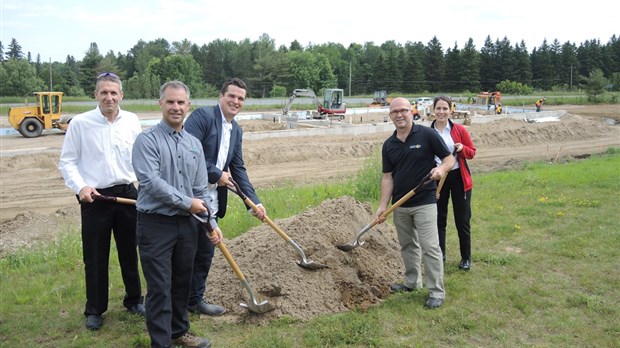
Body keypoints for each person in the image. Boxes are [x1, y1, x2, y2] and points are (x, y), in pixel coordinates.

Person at [132, 80, 217, 348]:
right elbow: (151, 183)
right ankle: (161, 343)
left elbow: (201, 190)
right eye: (170, 101)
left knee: (182, 282)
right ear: (160, 104)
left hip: (187, 226)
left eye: (181, 102)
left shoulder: (193, 144)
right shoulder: (147, 141)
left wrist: (210, 222)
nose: (176, 107)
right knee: (159, 287)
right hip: (155, 224)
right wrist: (188, 203)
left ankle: (179, 332)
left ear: (188, 105)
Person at [59, 72, 145, 331]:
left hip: (128, 194)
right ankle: (95, 309)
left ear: (121, 95)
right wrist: (81, 186)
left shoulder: (132, 121)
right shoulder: (81, 124)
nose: (109, 97)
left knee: (130, 250)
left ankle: (133, 300)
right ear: (95, 95)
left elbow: (139, 158)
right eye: (104, 92)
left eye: (114, 92)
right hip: (95, 197)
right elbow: (68, 161)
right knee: (95, 256)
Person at [184, 77, 266, 316]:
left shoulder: (236, 130)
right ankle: (168, 299)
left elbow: (238, 168)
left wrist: (253, 201)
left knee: (205, 251)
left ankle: (194, 300)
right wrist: (216, 173)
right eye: (231, 96)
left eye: (240, 98)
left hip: (210, 201)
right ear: (221, 96)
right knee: (182, 251)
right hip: (187, 196)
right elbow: (189, 153)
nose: (235, 101)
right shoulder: (203, 118)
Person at [375, 97, 455, 309]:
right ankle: (412, 282)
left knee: (430, 247)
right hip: (400, 204)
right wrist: (383, 206)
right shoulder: (389, 145)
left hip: (425, 201)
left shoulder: (427, 135)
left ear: (412, 112)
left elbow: (449, 158)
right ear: (390, 116)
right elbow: (387, 177)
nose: (399, 115)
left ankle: (436, 291)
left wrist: (441, 169)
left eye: (403, 110)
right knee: (408, 245)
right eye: (395, 112)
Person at [431, 95, 477, 271]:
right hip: (438, 179)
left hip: (459, 179)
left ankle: (466, 257)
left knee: (462, 220)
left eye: (445, 108)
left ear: (451, 110)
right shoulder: (428, 133)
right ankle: (440, 254)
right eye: (438, 108)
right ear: (433, 110)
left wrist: (462, 148)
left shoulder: (459, 130)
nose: (441, 112)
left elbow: (472, 152)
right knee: (439, 220)